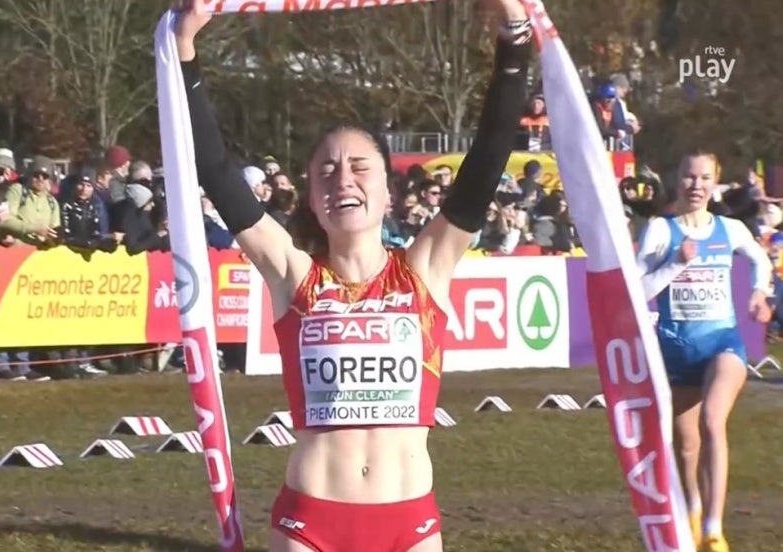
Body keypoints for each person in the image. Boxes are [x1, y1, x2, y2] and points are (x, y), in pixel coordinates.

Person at [171, 1, 530, 550]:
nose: (344, 180)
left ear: (389, 190)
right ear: (312, 198)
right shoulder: (291, 273)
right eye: (326, 172)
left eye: (360, 168)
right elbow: (218, 173)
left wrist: (514, 35)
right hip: (310, 524)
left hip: (409, 524)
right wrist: (186, 52)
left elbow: (488, 156)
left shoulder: (426, 268)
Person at [636, 150, 772, 552]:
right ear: (677, 180)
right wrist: (676, 263)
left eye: (705, 178)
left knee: (714, 420)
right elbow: (637, 290)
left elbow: (760, 259)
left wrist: (759, 292)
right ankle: (693, 509)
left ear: (716, 182)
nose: (696, 185)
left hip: (722, 344)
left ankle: (714, 529)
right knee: (686, 445)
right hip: (676, 351)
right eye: (689, 177)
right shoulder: (661, 231)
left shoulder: (728, 229)